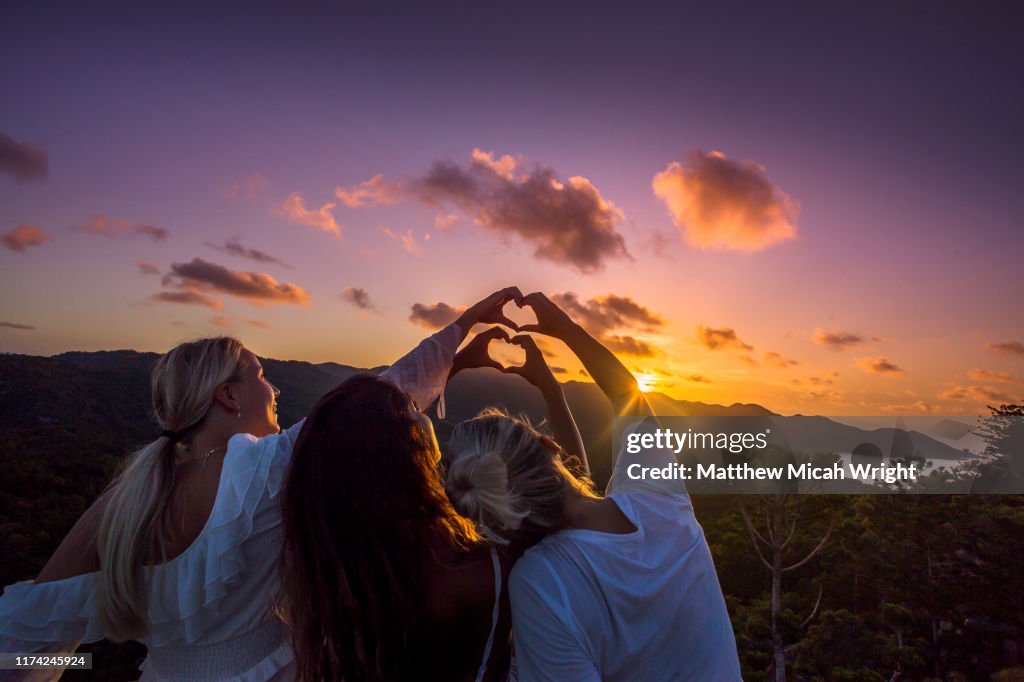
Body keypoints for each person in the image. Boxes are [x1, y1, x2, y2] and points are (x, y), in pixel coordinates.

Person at [0, 287, 522, 681]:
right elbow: (378, 398)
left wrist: (78, 664)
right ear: (229, 396)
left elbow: (21, 637)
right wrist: (465, 326)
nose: (273, 388)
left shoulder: (126, 498)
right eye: (260, 374)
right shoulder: (261, 468)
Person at [444, 292, 742, 682]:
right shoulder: (659, 502)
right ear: (549, 446)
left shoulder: (542, 580)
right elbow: (627, 394)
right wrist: (564, 332)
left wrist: (452, 365)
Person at [278, 325, 520, 682]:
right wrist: (550, 391)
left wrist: (459, 360)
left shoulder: (328, 566)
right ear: (403, 455)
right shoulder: (474, 563)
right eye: (412, 410)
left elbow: (346, 433)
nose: (423, 413)